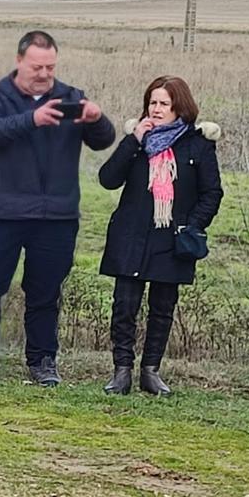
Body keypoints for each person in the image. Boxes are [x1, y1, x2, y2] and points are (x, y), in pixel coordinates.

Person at [0, 30, 116, 386]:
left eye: (50, 67)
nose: (44, 74)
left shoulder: (71, 97)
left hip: (56, 216)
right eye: (37, 67)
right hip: (4, 213)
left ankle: (43, 362)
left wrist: (96, 118)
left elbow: (103, 141)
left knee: (44, 293)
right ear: (19, 61)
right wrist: (32, 119)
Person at [97, 76, 223, 396]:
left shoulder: (198, 143)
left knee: (163, 307)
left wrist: (193, 225)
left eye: (164, 103)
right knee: (124, 306)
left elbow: (212, 193)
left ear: (179, 107)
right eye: (152, 103)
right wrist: (133, 141)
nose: (156, 109)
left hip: (172, 238)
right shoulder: (137, 142)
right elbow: (108, 179)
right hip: (132, 234)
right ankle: (121, 371)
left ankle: (150, 372)